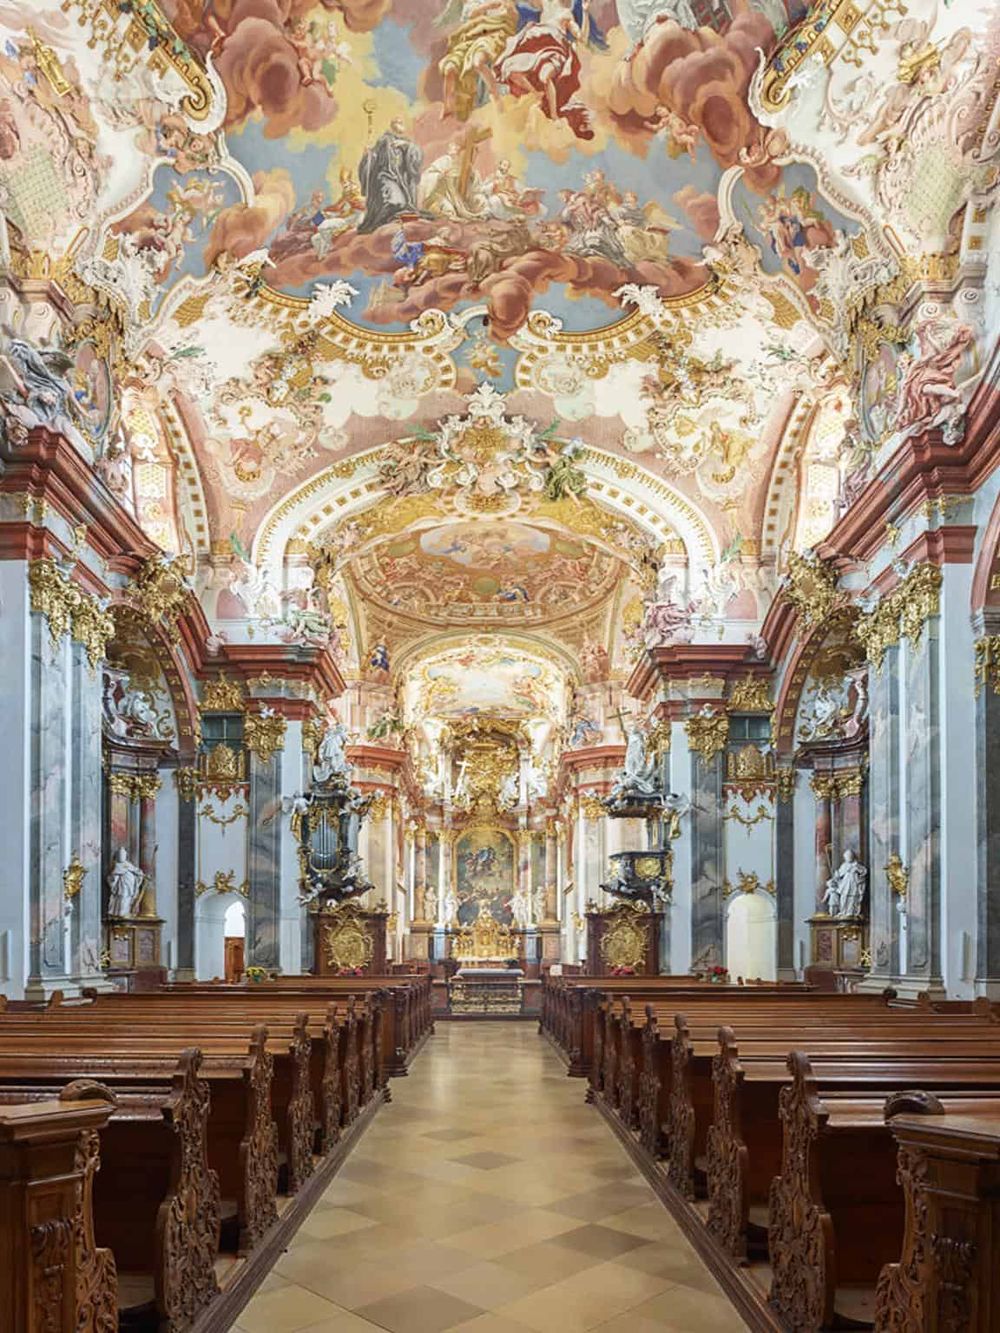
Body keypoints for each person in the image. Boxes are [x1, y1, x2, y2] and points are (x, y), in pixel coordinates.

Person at [357, 119, 423, 233]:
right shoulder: (384, 140)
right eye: (398, 122)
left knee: (404, 204)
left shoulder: (407, 142)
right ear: (393, 126)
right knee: (396, 201)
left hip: (402, 180)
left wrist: (407, 146)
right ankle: (388, 221)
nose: (401, 125)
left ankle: (397, 220)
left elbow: (416, 158)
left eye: (402, 123)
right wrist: (367, 156)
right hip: (386, 177)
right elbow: (374, 158)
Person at [107, 847, 145, 917]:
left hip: (130, 885)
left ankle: (126, 913)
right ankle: (121, 913)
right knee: (122, 898)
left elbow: (135, 870)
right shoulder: (117, 865)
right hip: (122, 886)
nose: (122, 856)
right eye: (120, 854)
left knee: (128, 899)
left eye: (123, 854)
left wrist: (141, 874)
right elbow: (113, 876)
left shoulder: (128, 864)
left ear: (125, 855)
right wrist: (113, 879)